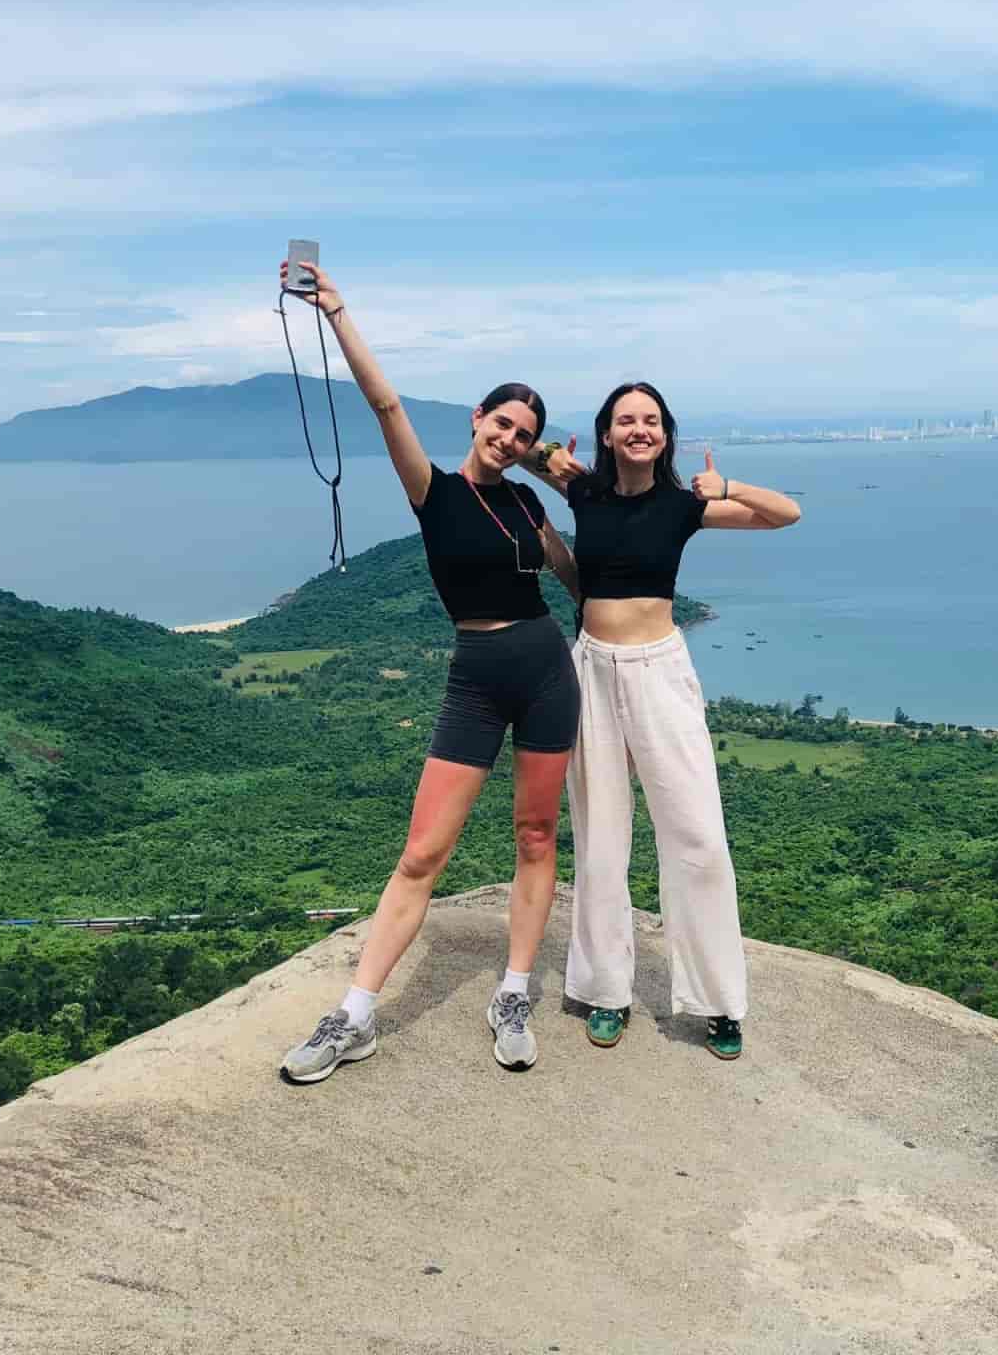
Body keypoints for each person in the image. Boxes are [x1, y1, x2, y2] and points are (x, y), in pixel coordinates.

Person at [278, 261, 582, 1081]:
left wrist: (585, 497)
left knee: (536, 834)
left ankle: (514, 990)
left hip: (550, 670)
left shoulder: (528, 503)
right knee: (421, 855)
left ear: (531, 447)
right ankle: (355, 1015)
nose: (509, 439)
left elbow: (576, 579)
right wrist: (338, 312)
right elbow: (385, 405)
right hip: (476, 677)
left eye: (524, 435)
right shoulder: (436, 491)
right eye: (501, 423)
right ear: (480, 419)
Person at [527, 382, 800, 1060]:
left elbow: (785, 514)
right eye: (626, 420)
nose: (639, 429)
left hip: (659, 670)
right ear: (608, 433)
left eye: (651, 420)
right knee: (599, 836)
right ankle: (606, 991)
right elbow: (506, 446)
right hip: (590, 667)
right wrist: (549, 461)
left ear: (667, 435)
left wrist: (724, 483)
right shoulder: (584, 492)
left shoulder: (685, 504)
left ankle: (718, 1002)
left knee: (698, 837)